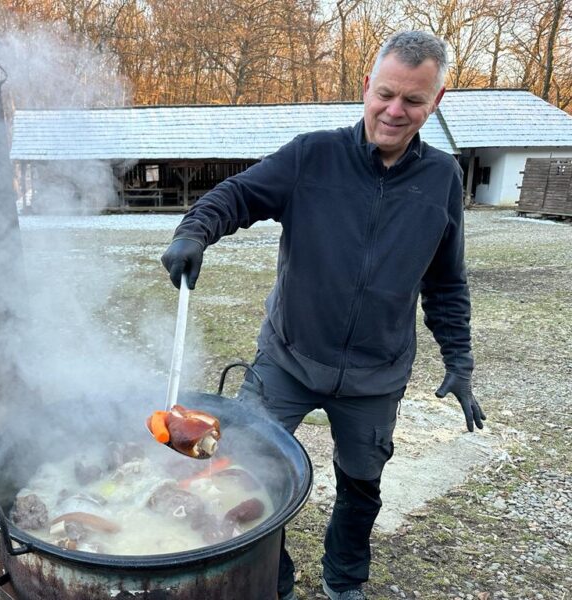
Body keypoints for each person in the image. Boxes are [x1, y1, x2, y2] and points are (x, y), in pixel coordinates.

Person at [160, 30, 486, 600]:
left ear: (437, 101)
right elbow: (233, 196)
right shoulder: (312, 156)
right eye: (386, 93)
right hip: (287, 359)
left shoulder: (441, 179)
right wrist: (193, 233)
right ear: (367, 87)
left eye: (413, 100)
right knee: (245, 473)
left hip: (375, 377)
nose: (395, 110)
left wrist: (459, 360)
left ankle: (344, 583)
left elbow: (446, 282)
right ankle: (273, 580)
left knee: (361, 488)